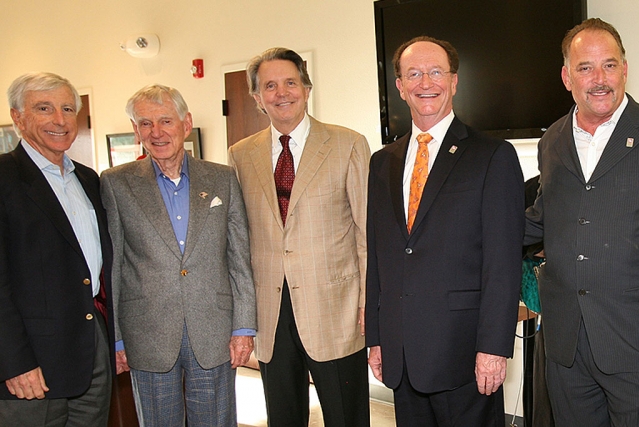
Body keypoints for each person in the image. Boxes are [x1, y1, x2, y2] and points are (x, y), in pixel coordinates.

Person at [366, 36, 524, 426]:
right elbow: (377, 257)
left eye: (436, 72)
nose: (426, 83)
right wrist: (377, 336)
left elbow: (502, 264)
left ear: (454, 81)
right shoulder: (381, 163)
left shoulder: (492, 156)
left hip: (464, 356)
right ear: (400, 86)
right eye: (414, 74)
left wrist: (493, 348)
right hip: (402, 354)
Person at [228, 47, 370, 427]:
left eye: (290, 82)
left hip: (336, 311)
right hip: (271, 314)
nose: (281, 92)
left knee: (347, 417)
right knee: (284, 419)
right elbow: (239, 242)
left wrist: (367, 302)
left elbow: (365, 232)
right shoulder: (241, 155)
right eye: (269, 86)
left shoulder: (348, 144)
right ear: (258, 98)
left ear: (306, 88)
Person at [100, 84, 256, 427]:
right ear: (135, 130)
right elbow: (114, 266)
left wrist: (243, 327)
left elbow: (238, 257)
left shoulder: (222, 179)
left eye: (165, 121)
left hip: (213, 329)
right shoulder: (115, 183)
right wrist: (117, 337)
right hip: (147, 334)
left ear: (185, 124)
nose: (156, 132)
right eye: (145, 123)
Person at [524, 18, 639, 426]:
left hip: (631, 342)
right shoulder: (551, 140)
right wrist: (474, 224)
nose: (599, 79)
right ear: (566, 76)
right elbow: (543, 218)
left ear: (625, 68)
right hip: (566, 345)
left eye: (609, 65)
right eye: (585, 68)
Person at [0, 72, 114, 426]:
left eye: (67, 108)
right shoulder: (4, 179)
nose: (60, 120)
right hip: (32, 365)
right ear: (18, 117)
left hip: (91, 353)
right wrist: (15, 363)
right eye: (44, 108)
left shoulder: (88, 179)